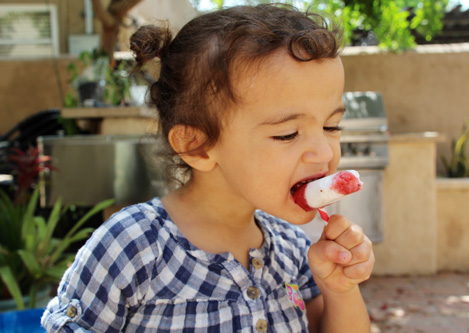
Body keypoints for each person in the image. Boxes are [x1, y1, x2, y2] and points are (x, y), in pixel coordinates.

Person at [42, 4, 374, 332]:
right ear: (197, 147)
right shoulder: (131, 248)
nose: (323, 152)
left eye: (332, 127)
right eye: (287, 133)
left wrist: (340, 290)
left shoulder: (294, 250)